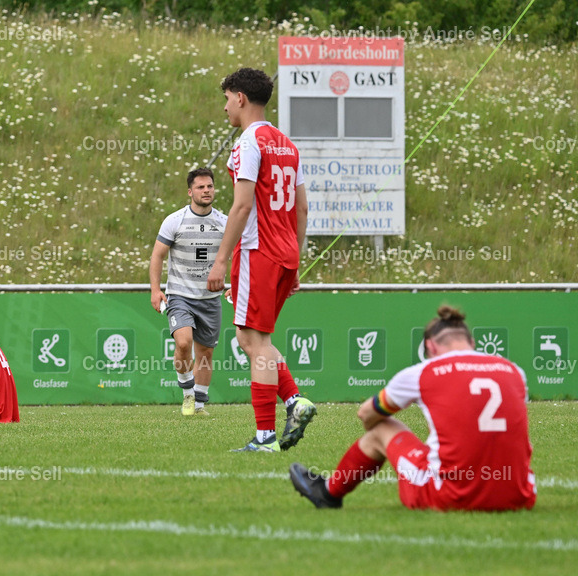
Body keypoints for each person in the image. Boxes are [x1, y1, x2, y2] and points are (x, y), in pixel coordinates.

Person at [289, 306, 536, 511]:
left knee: (379, 429)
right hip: (519, 496)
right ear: (471, 342)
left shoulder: (424, 372)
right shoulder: (513, 370)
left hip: (450, 497)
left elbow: (366, 414)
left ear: (430, 347)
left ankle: (329, 493)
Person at [206, 67, 316, 452]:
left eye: (226, 98)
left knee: (252, 341)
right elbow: (302, 208)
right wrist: (296, 259)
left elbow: (240, 206)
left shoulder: (249, 142)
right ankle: (294, 401)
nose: (224, 108)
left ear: (240, 98)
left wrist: (221, 261)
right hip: (284, 253)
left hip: (258, 251)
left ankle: (267, 435)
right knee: (256, 339)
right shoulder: (287, 144)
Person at [149, 167, 227, 417]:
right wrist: (155, 289)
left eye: (210, 186)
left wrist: (235, 283)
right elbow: (157, 256)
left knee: (205, 353)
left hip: (210, 298)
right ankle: (188, 395)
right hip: (180, 296)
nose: (206, 191)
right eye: (201, 187)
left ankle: (200, 406)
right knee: (183, 343)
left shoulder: (224, 222)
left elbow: (237, 255)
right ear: (190, 191)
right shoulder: (175, 220)